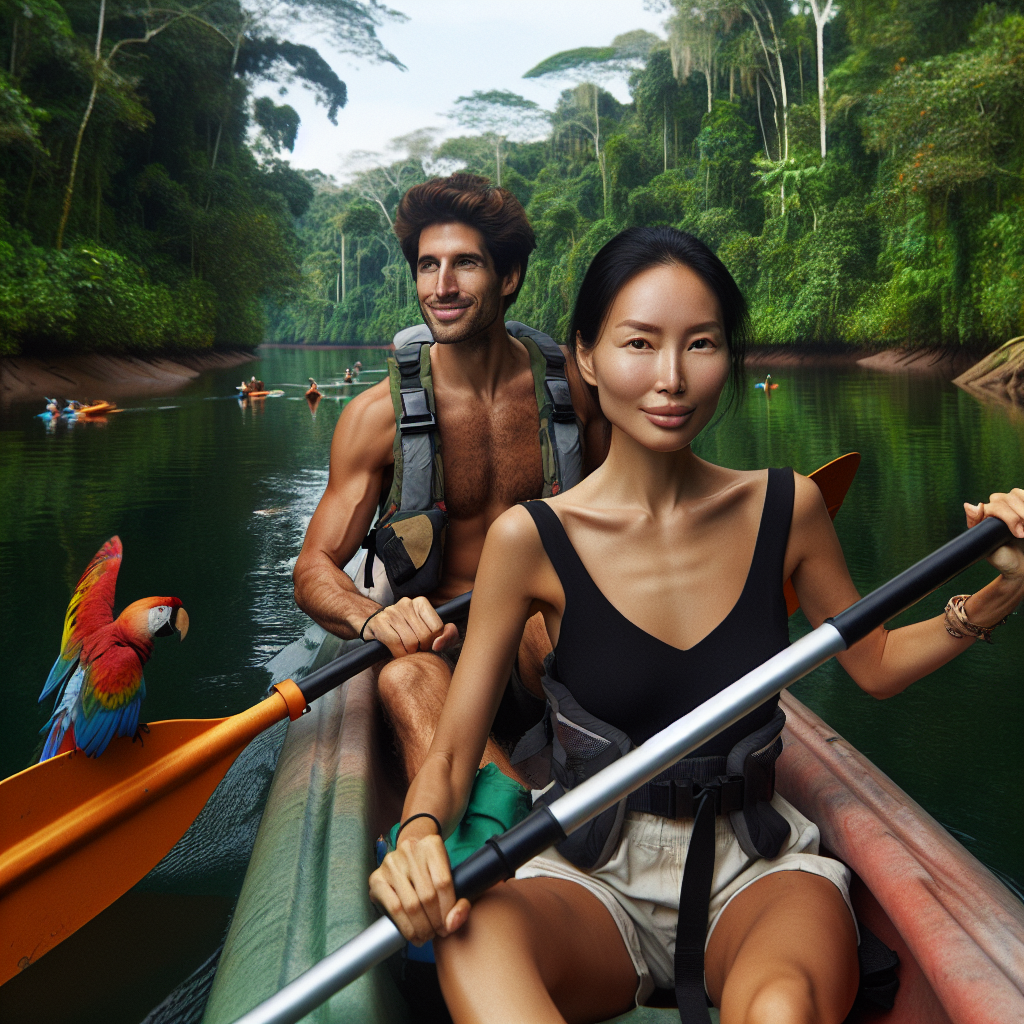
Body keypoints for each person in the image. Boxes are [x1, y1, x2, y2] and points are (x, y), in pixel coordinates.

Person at [369, 227, 1024, 1024]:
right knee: (472, 941)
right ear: (586, 357)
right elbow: (451, 754)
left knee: (781, 1008)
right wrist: (420, 834)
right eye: (639, 343)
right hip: (592, 866)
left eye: (702, 344)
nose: (672, 378)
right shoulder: (529, 539)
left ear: (728, 356)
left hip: (757, 866)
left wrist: (997, 597)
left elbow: (875, 664)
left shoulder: (788, 507)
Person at [293, 173, 607, 783]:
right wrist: (371, 617)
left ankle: (611, 789)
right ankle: (500, 827)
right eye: (427, 266)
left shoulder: (578, 393)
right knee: (404, 677)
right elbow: (313, 567)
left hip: (543, 636)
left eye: (465, 264)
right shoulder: (375, 418)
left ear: (508, 277)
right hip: (439, 647)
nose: (442, 287)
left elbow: (635, 510)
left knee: (551, 631)